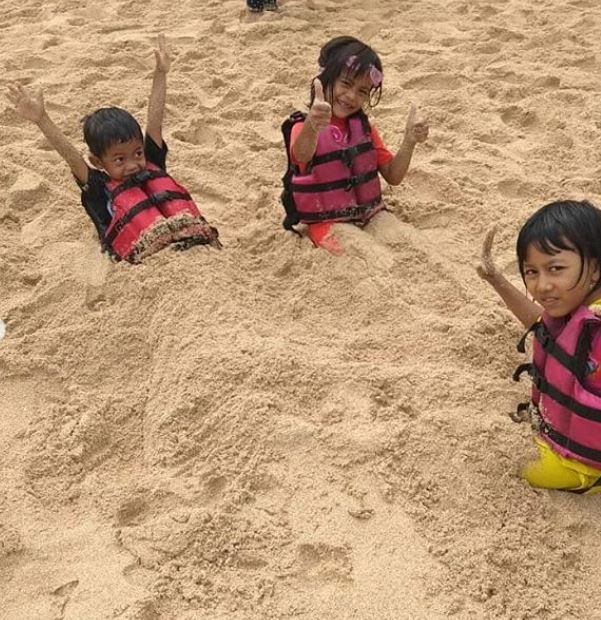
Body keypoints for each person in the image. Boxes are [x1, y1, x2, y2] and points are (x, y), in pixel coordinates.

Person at [7, 34, 220, 263]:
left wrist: (160, 74)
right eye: (119, 160)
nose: (133, 165)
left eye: (137, 153)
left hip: (197, 247)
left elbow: (154, 121)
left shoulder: (151, 163)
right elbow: (72, 157)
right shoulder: (99, 188)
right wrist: (42, 119)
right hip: (151, 264)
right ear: (98, 162)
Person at [478, 200, 601, 494]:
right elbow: (544, 328)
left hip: (578, 465)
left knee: (497, 465)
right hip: (553, 433)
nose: (542, 286)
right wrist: (496, 280)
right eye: (531, 272)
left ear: (595, 269)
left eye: (555, 268)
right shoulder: (577, 305)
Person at [281, 36, 428, 255]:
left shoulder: (364, 128)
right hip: (328, 223)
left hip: (371, 215)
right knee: (367, 255)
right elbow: (301, 155)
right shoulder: (303, 127)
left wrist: (409, 141)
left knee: (414, 246)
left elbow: (393, 176)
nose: (351, 96)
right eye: (346, 84)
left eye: (362, 91)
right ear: (325, 79)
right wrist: (312, 125)